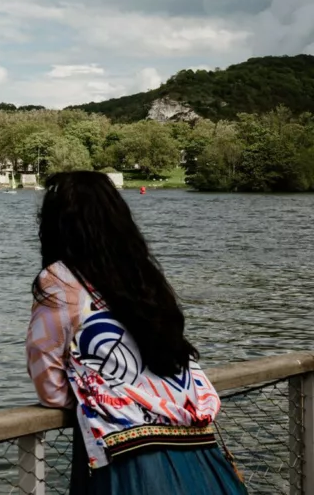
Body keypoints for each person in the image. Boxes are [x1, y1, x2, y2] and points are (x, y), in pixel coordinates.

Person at [25, 171, 246, 494]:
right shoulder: (141, 274)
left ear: (57, 225)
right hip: (196, 449)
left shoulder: (60, 280)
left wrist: (89, 398)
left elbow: (46, 374)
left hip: (127, 456)